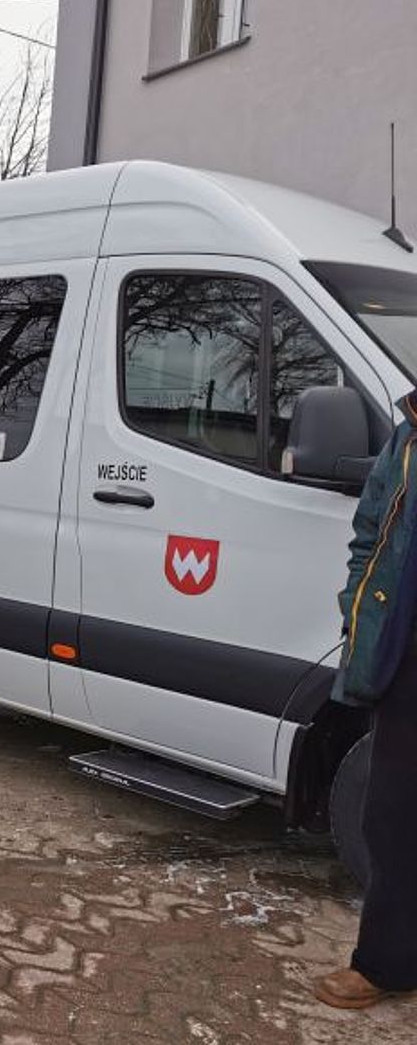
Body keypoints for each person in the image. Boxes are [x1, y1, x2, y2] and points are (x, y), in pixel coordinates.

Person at [316, 394, 417, 1009]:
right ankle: (386, 962)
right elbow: (370, 530)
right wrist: (358, 605)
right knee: (392, 815)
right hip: (406, 657)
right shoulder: (408, 435)